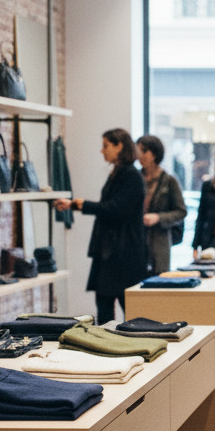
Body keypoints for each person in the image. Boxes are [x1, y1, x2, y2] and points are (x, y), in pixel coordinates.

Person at [54, 128, 146, 324]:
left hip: (123, 255)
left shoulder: (131, 176)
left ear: (119, 146)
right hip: (110, 253)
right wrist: (74, 205)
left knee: (129, 312)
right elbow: (110, 208)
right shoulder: (119, 174)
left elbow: (117, 209)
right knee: (105, 308)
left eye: (106, 146)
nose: (102, 151)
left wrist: (81, 204)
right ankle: (106, 347)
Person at [135, 134, 187, 275]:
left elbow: (181, 211)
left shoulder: (169, 181)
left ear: (154, 153)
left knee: (158, 281)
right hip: (137, 239)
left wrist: (158, 218)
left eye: (144, 151)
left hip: (159, 240)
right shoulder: (135, 179)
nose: (140, 155)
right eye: (138, 151)